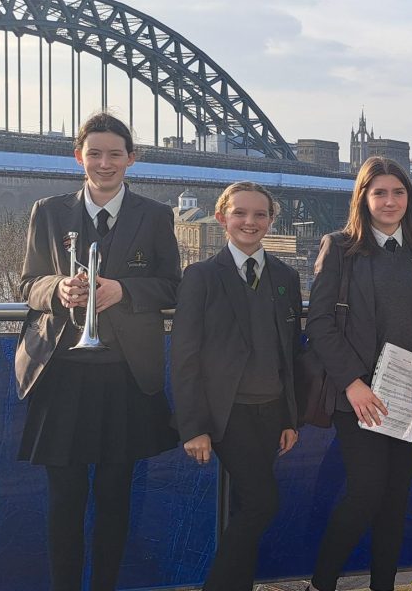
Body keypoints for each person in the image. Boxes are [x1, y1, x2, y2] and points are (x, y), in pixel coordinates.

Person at [14, 112, 180, 591]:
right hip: (61, 373)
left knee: (115, 497)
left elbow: (172, 285)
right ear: (78, 157)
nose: (104, 163)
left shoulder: (156, 215)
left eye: (114, 154)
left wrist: (123, 291)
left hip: (124, 374)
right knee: (64, 500)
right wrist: (58, 289)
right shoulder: (48, 211)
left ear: (131, 158)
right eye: (94, 154)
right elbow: (28, 283)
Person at [304, 157, 412, 591]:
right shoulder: (339, 246)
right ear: (363, 198)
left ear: (410, 198)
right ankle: (321, 583)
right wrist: (352, 384)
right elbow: (320, 323)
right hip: (360, 396)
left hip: (410, 393)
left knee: (395, 499)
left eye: (398, 192)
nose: (390, 201)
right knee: (365, 493)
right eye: (380, 193)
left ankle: (382, 585)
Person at [171, 182, 303, 590]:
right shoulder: (201, 276)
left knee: (245, 506)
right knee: (264, 503)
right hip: (228, 415)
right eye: (240, 213)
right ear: (221, 218)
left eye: (260, 214)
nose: (250, 222)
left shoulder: (285, 276)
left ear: (271, 221)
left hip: (271, 412)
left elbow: (289, 354)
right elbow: (185, 355)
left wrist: (290, 418)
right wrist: (193, 426)